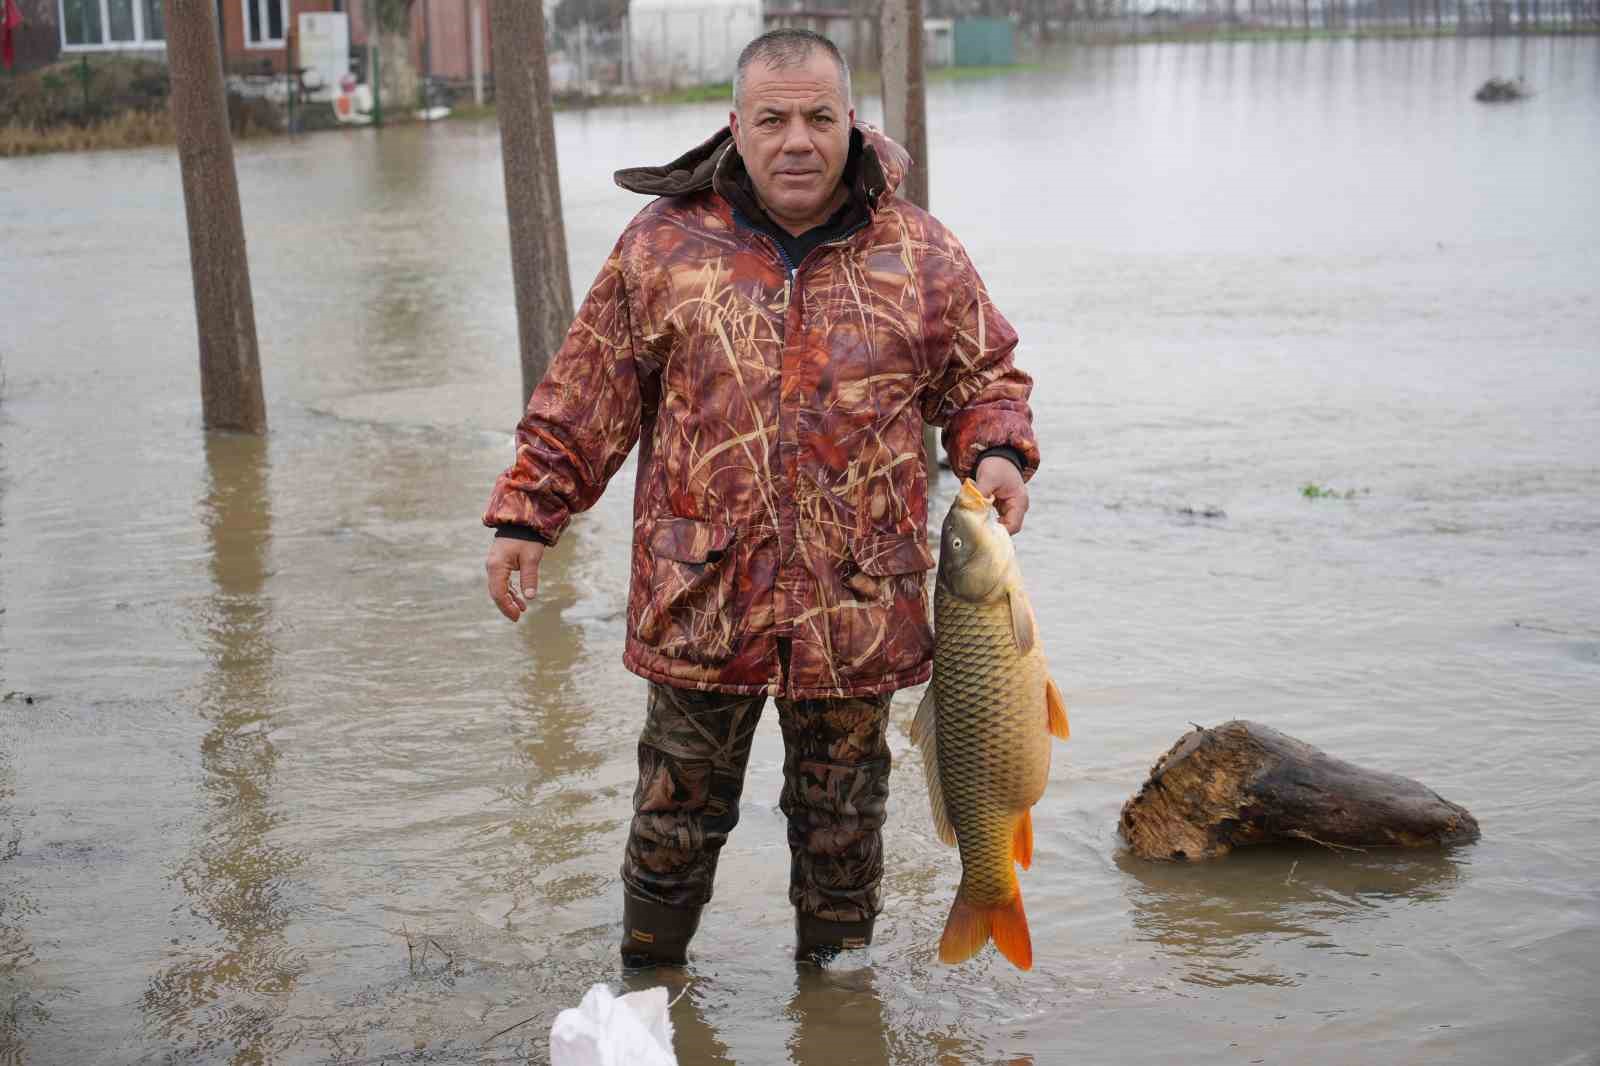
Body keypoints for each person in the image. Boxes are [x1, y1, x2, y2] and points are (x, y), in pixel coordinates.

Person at [483, 29, 1039, 967]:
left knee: (843, 837)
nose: (797, 140)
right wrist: (524, 516)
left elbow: (986, 377)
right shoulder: (664, 244)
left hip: (858, 611)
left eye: (819, 117)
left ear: (850, 123)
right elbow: (586, 395)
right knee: (673, 824)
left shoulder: (920, 251)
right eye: (773, 118)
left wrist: (996, 454)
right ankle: (649, 994)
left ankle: (834, 1011)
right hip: (701, 602)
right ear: (735, 126)